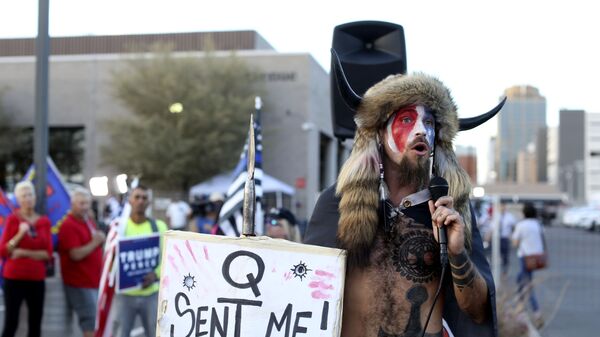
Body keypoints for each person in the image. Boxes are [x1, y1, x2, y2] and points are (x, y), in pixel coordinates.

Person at [304, 58, 502, 336]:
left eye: (430, 122)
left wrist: (457, 254)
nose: (422, 130)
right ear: (379, 132)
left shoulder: (450, 210)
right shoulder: (337, 204)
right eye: (407, 119)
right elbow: (303, 289)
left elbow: (478, 312)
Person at [0, 181, 53, 337]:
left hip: (36, 279)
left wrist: (22, 252)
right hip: (14, 279)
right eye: (24, 195)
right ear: (18, 199)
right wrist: (19, 235)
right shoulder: (13, 220)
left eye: (30, 194)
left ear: (35, 197)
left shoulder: (43, 221)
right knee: (11, 322)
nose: (28, 198)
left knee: (35, 324)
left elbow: (48, 254)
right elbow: (4, 250)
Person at [114, 185, 168, 337]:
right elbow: (111, 258)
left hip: (151, 293)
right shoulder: (120, 227)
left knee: (155, 333)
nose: (140, 201)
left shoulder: (159, 227)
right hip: (125, 294)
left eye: (144, 198)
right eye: (137, 197)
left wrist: (155, 275)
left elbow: (167, 257)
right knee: (121, 333)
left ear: (148, 202)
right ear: (129, 200)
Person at [58, 187, 105, 337]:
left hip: (92, 281)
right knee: (89, 322)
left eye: (87, 203)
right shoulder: (68, 225)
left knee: (95, 321)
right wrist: (96, 241)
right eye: (81, 203)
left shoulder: (87, 220)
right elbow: (75, 254)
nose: (85, 207)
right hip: (80, 282)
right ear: (72, 204)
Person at [512, 203, 544, 322]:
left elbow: (515, 243)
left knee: (526, 284)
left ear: (524, 213)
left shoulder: (521, 225)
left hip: (525, 257)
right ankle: (519, 308)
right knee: (522, 279)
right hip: (536, 257)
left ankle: (534, 312)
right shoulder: (538, 224)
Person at [498, 202, 517, 275]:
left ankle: (504, 270)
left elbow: (514, 227)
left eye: (503, 206)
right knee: (497, 254)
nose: (502, 208)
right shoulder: (497, 216)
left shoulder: (510, 216)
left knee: (505, 255)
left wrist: (513, 236)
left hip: (505, 237)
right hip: (497, 238)